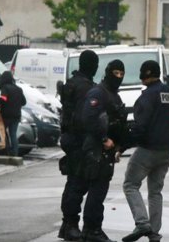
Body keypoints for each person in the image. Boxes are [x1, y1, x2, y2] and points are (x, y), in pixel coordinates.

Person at [116, 60, 169, 242]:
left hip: (148, 150)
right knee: (155, 192)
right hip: (166, 152)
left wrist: (122, 146)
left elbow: (140, 128)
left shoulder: (146, 97)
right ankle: (153, 232)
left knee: (130, 185)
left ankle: (142, 224)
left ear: (143, 75)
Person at [79, 59, 128, 242]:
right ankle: (91, 230)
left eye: (122, 74)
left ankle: (93, 229)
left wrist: (119, 145)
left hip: (107, 150)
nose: (119, 77)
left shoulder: (113, 94)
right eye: (116, 73)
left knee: (100, 190)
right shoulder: (98, 92)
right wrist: (104, 139)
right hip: (96, 148)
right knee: (97, 190)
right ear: (108, 72)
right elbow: (89, 118)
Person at [57, 49, 99, 241]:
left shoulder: (71, 83)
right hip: (79, 140)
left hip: (69, 137)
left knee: (73, 182)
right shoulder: (85, 87)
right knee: (78, 183)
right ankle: (71, 224)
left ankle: (67, 224)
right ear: (92, 65)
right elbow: (86, 118)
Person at [0, 71, 26, 156]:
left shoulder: (5, 88)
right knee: (13, 134)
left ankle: (5, 150)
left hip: (6, 115)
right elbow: (24, 102)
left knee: (3, 133)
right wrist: (16, 103)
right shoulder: (19, 89)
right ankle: (15, 152)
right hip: (16, 116)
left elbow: (3, 99)